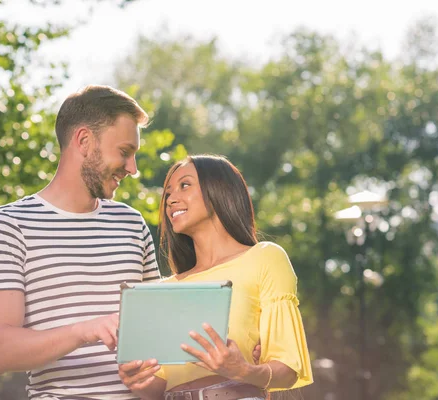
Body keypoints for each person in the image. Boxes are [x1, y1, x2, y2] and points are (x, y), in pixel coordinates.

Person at [0, 85, 161, 400]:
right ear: (84, 141)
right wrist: (83, 331)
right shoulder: (10, 226)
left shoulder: (132, 223)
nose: (132, 169)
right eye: (125, 152)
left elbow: (159, 336)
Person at [118, 155, 313, 400]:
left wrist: (244, 370)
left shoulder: (265, 258)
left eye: (184, 185)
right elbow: (160, 387)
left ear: (219, 190)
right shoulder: (166, 289)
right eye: (167, 193)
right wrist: (138, 382)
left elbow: (288, 370)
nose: (170, 200)